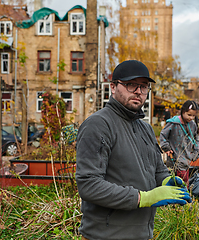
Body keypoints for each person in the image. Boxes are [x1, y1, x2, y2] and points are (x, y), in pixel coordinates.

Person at [75, 60, 191, 240]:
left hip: (141, 234)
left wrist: (167, 180)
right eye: (131, 85)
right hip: (105, 235)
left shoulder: (145, 129)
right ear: (113, 87)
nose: (138, 91)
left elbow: (157, 169)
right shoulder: (98, 125)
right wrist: (143, 198)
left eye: (144, 87)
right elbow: (89, 185)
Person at [160, 100, 199, 185]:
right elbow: (163, 135)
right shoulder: (173, 123)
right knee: (177, 183)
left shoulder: (193, 125)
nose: (191, 118)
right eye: (189, 115)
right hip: (175, 158)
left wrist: (196, 151)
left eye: (193, 116)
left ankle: (183, 196)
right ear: (183, 111)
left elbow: (196, 138)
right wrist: (166, 148)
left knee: (183, 182)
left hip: (187, 159)